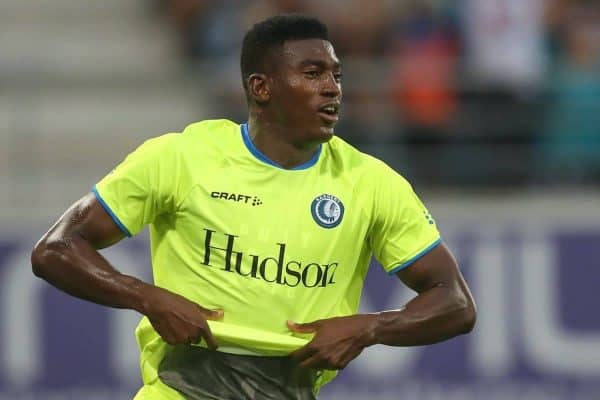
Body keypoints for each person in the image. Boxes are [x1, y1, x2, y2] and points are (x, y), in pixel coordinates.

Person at [31, 14, 476, 400]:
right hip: (183, 388)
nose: (332, 90)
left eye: (336, 76)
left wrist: (370, 327)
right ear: (261, 87)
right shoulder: (182, 157)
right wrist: (147, 298)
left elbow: (455, 302)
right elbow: (56, 249)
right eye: (313, 73)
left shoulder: (372, 183)